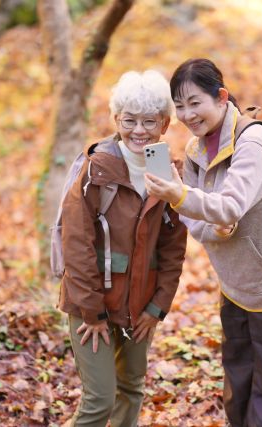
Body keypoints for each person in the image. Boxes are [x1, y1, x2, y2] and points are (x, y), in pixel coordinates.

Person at [144, 58, 262, 427]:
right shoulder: (195, 150)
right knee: (238, 378)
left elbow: (228, 206)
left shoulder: (253, 141)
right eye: (179, 105)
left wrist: (183, 197)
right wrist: (212, 219)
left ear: (221, 97)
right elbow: (201, 220)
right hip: (237, 281)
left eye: (195, 102)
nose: (187, 114)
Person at [58, 70, 187, 427]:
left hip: (141, 306)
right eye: (129, 120)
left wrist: (157, 307)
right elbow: (76, 244)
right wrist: (91, 312)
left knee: (131, 389)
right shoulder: (96, 169)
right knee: (99, 400)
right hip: (92, 305)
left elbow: (173, 250)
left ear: (164, 123)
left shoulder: (167, 171)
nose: (139, 131)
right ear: (116, 119)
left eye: (150, 121)